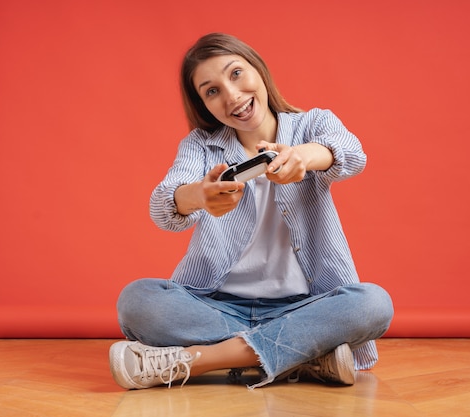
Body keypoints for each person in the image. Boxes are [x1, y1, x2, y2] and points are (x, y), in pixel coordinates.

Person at [109, 32, 394, 390]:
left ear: (258, 70)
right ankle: (304, 353)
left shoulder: (312, 124)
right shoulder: (200, 146)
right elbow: (163, 205)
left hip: (303, 306)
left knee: (373, 304)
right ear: (203, 105)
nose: (232, 96)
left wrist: (303, 158)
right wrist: (200, 196)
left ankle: (195, 362)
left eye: (236, 74)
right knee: (136, 301)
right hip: (215, 306)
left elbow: (351, 153)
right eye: (211, 91)